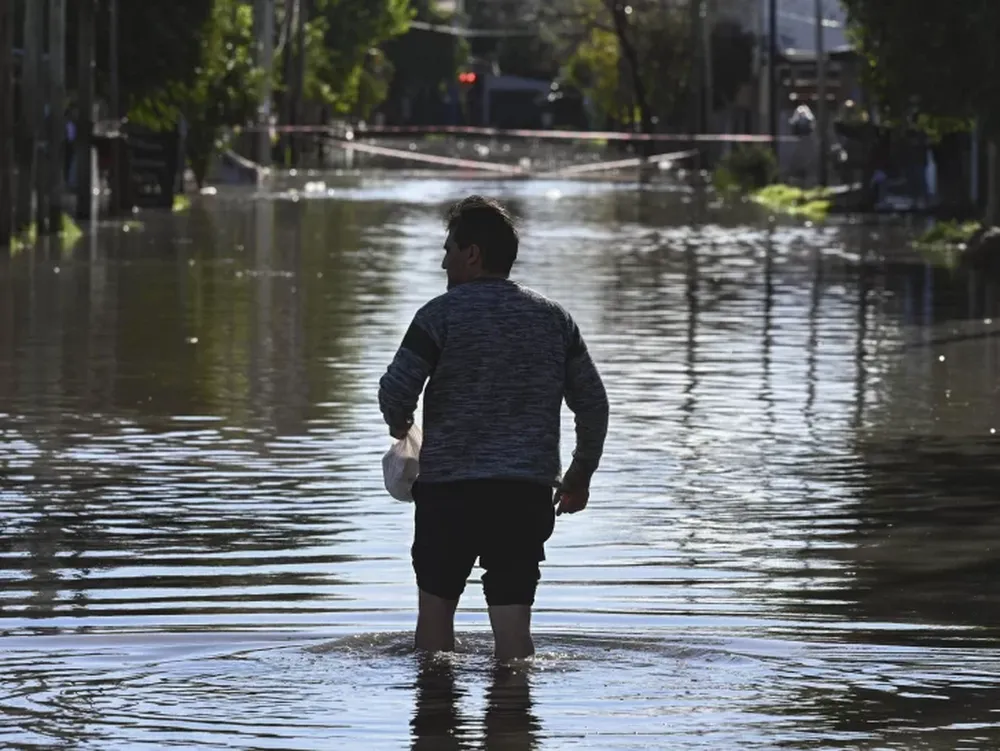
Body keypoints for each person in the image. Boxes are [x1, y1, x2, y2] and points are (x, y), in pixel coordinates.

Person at [378, 195, 609, 660]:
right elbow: (593, 404)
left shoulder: (438, 316)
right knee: (514, 636)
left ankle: (436, 720)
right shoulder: (553, 320)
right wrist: (580, 474)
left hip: (449, 496)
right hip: (522, 496)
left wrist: (400, 419)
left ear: (472, 253)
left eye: (448, 249)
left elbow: (394, 390)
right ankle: (513, 722)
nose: (443, 260)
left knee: (435, 627)